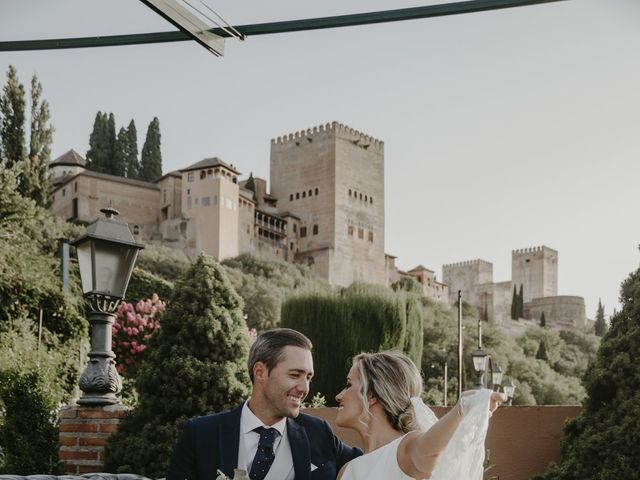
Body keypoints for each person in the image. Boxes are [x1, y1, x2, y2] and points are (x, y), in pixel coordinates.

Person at [167, 328, 362, 480]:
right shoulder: (200, 434)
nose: (304, 388)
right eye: (295, 375)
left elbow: (372, 463)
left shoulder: (319, 433)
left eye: (308, 377)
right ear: (260, 372)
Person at [335, 351, 505, 480]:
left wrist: (460, 410)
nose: (339, 396)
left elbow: (430, 450)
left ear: (371, 395)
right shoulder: (347, 471)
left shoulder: (405, 449)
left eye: (348, 385)